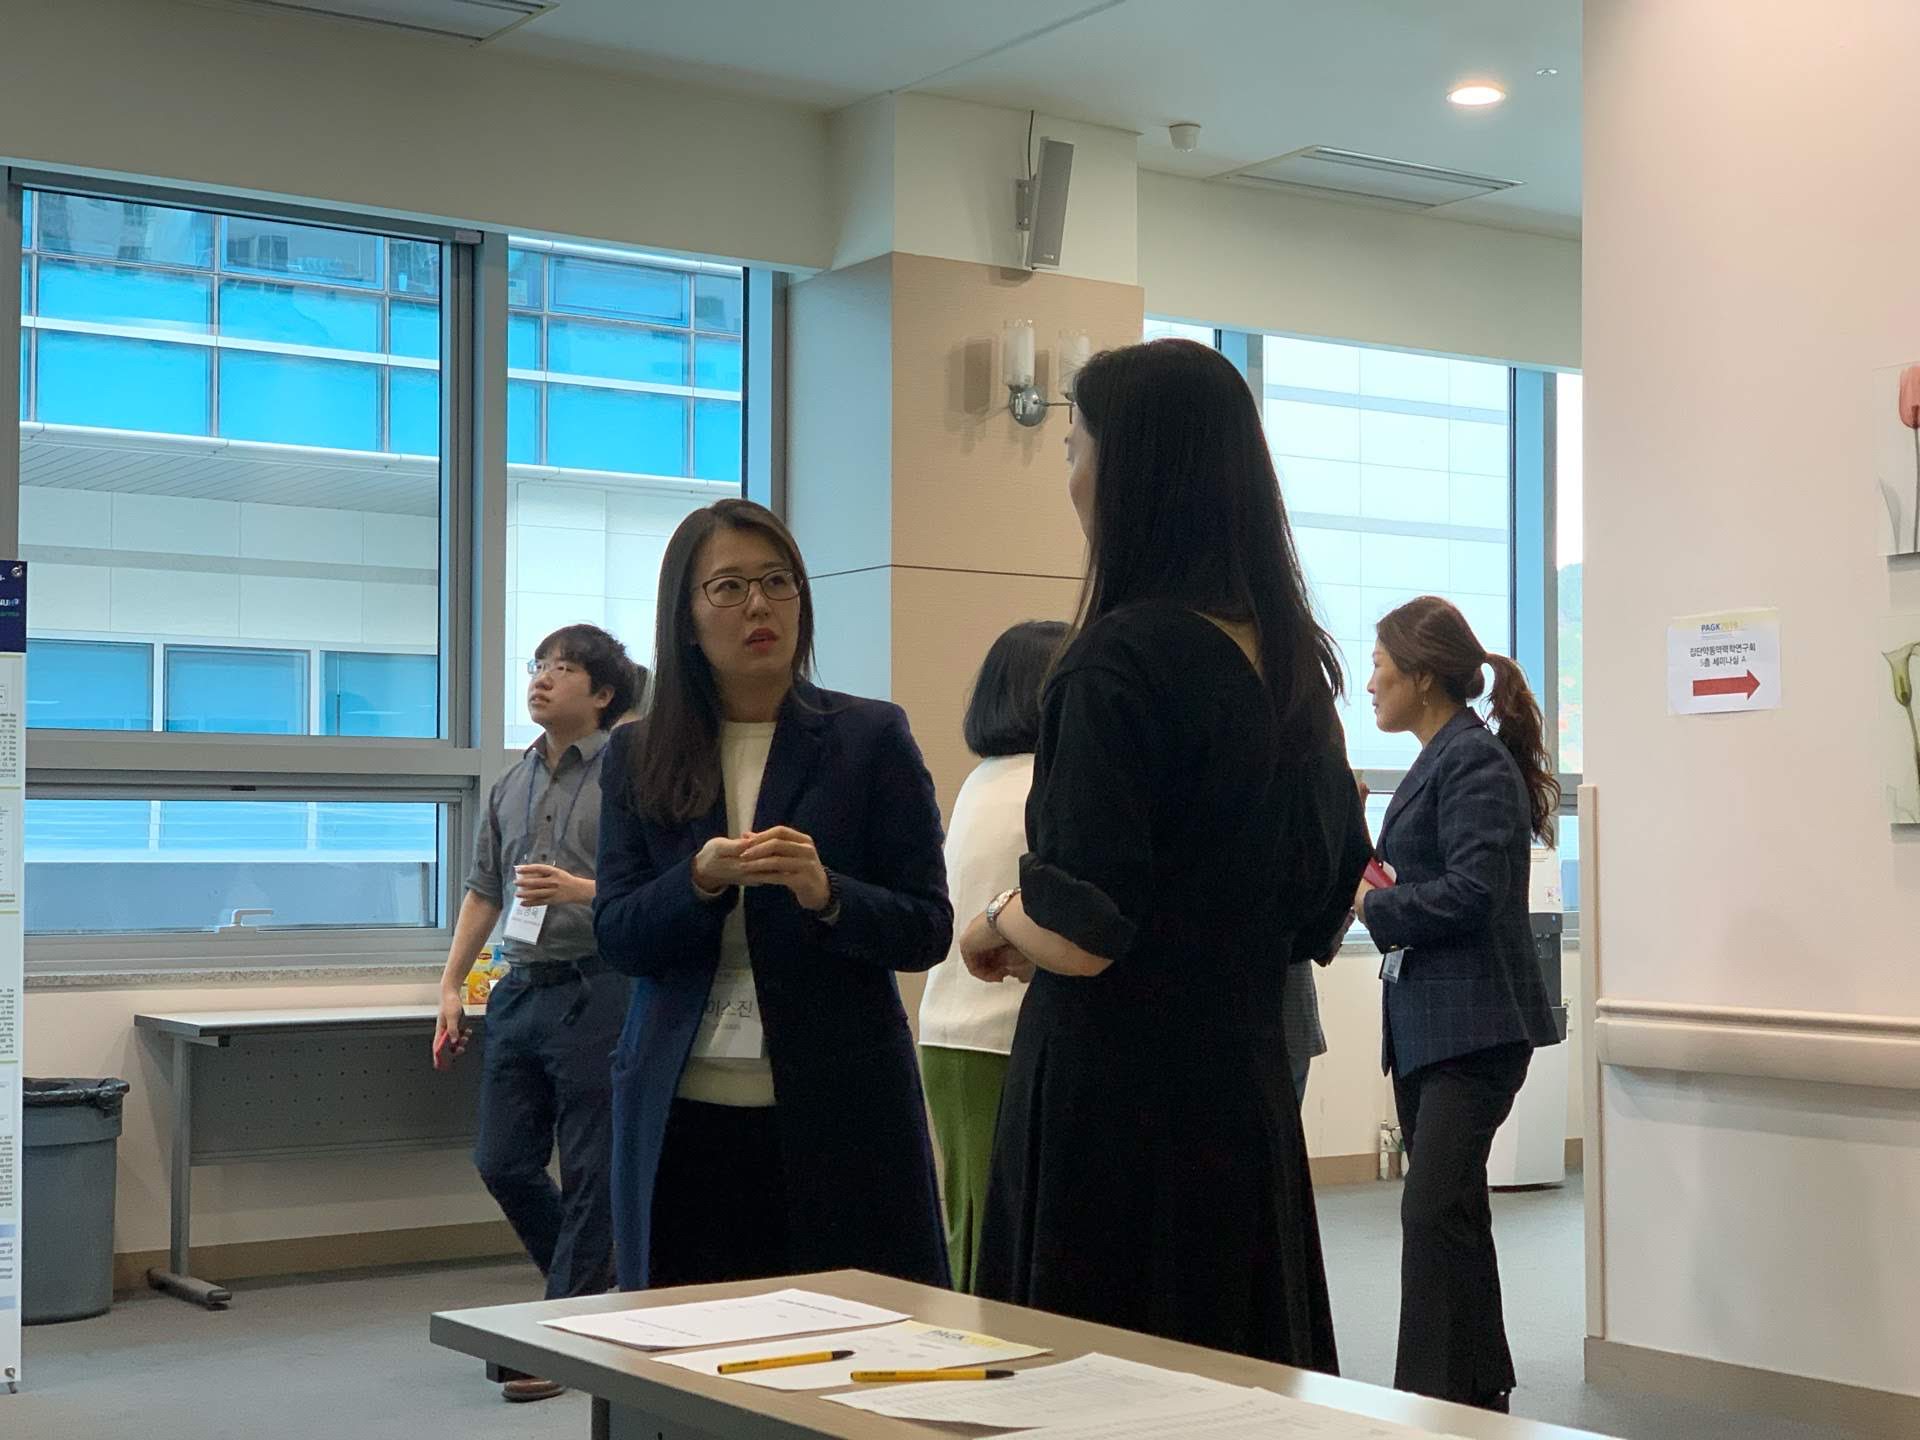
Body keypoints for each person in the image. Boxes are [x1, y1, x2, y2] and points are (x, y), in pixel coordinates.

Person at [962, 339, 1368, 1370]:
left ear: (1129, 468)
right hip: (1244, 1086)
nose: (1069, 474)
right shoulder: (1295, 664)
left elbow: (1084, 931)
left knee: (1099, 1384)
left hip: (1117, 1102)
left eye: (1074, 446)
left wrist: (997, 922)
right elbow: (1324, 902)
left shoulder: (1115, 660)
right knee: (1234, 1380)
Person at [594, 498, 952, 1294]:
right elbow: (617, 933)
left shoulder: (869, 737)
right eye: (729, 587)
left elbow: (927, 929)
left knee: (852, 1335)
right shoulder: (639, 752)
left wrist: (828, 894)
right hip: (681, 1109)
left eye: (778, 581)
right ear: (687, 620)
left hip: (837, 1108)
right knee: (687, 1342)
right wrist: (696, 881)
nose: (759, 606)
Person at [1350, 595, 1563, 1413]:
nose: (1371, 683)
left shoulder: (1474, 761)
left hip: (1475, 1029)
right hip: (1431, 1025)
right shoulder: (1440, 758)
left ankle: (1429, 1403)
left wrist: (1378, 906)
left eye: (1380, 666)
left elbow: (1476, 891)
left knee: (1430, 1210)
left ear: (1423, 676)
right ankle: (1476, 1393)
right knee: (1456, 1211)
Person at [433, 624, 641, 1405]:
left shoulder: (633, 777)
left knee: (590, 1174)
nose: (542, 679)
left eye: (564, 668)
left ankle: (561, 1336)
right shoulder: (510, 783)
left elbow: (660, 888)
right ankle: (591, 1303)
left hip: (602, 987)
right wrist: (450, 985)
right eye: (539, 665)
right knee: (503, 1161)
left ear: (604, 693)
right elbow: (484, 890)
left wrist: (581, 890)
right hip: (519, 989)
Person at [917, 619, 1066, 1292]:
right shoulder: (1045, 783)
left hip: (948, 1028)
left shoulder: (983, 779)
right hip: (1001, 1032)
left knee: (969, 1222)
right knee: (999, 1238)